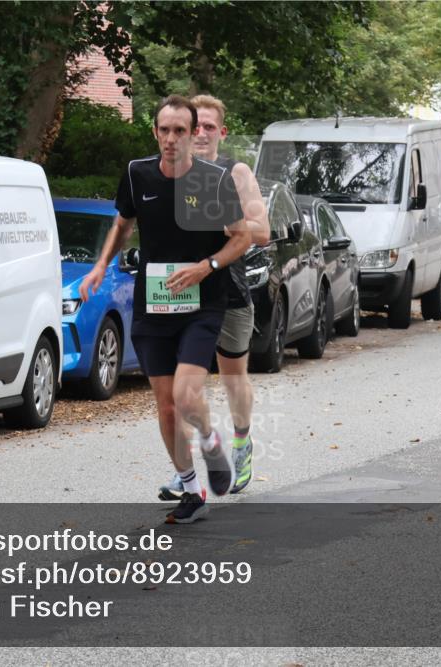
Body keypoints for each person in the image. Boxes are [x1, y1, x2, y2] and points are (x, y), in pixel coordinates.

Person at [80, 95, 250, 524]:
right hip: (153, 305)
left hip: (202, 303)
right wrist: (100, 265)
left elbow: (241, 238)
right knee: (168, 407)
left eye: (180, 131)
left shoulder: (213, 180)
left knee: (186, 395)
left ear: (195, 134)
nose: (171, 139)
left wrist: (205, 267)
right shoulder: (138, 174)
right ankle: (191, 489)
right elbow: (123, 222)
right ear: (155, 132)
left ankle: (211, 441)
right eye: (164, 131)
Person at [157, 94, 270, 501]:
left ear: (221, 133)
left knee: (232, 376)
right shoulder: (171, 171)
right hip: (183, 293)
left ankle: (241, 441)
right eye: (195, 126)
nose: (201, 133)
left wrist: (223, 221)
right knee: (184, 388)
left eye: (209, 127)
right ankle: (185, 468)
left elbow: (262, 229)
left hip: (229, 290)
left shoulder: (234, 172)